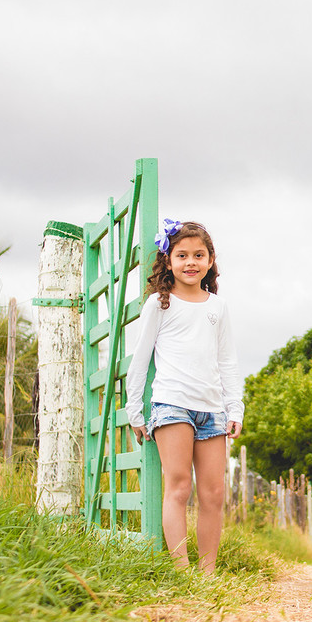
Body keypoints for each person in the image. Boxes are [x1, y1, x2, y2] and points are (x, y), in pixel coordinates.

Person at [125, 219, 244, 572]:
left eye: (198, 255)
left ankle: (207, 574)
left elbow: (227, 361)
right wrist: (135, 410)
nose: (190, 262)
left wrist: (234, 407)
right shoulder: (159, 305)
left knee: (214, 494)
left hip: (212, 411)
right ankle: (181, 570)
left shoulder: (217, 307)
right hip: (172, 404)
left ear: (210, 260)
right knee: (178, 488)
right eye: (182, 255)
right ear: (168, 260)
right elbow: (140, 359)